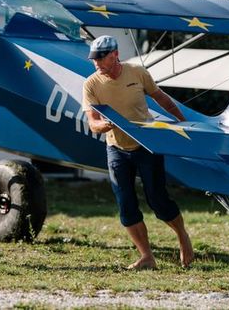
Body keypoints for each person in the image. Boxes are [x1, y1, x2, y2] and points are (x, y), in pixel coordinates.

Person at [82, 35, 194, 270]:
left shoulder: (137, 72)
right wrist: (107, 125)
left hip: (146, 145)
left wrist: (184, 124)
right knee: (126, 205)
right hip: (116, 149)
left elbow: (161, 98)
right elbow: (93, 123)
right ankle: (147, 257)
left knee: (158, 200)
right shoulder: (91, 84)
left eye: (101, 57)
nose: (97, 62)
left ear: (115, 55)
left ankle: (182, 236)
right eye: (94, 58)